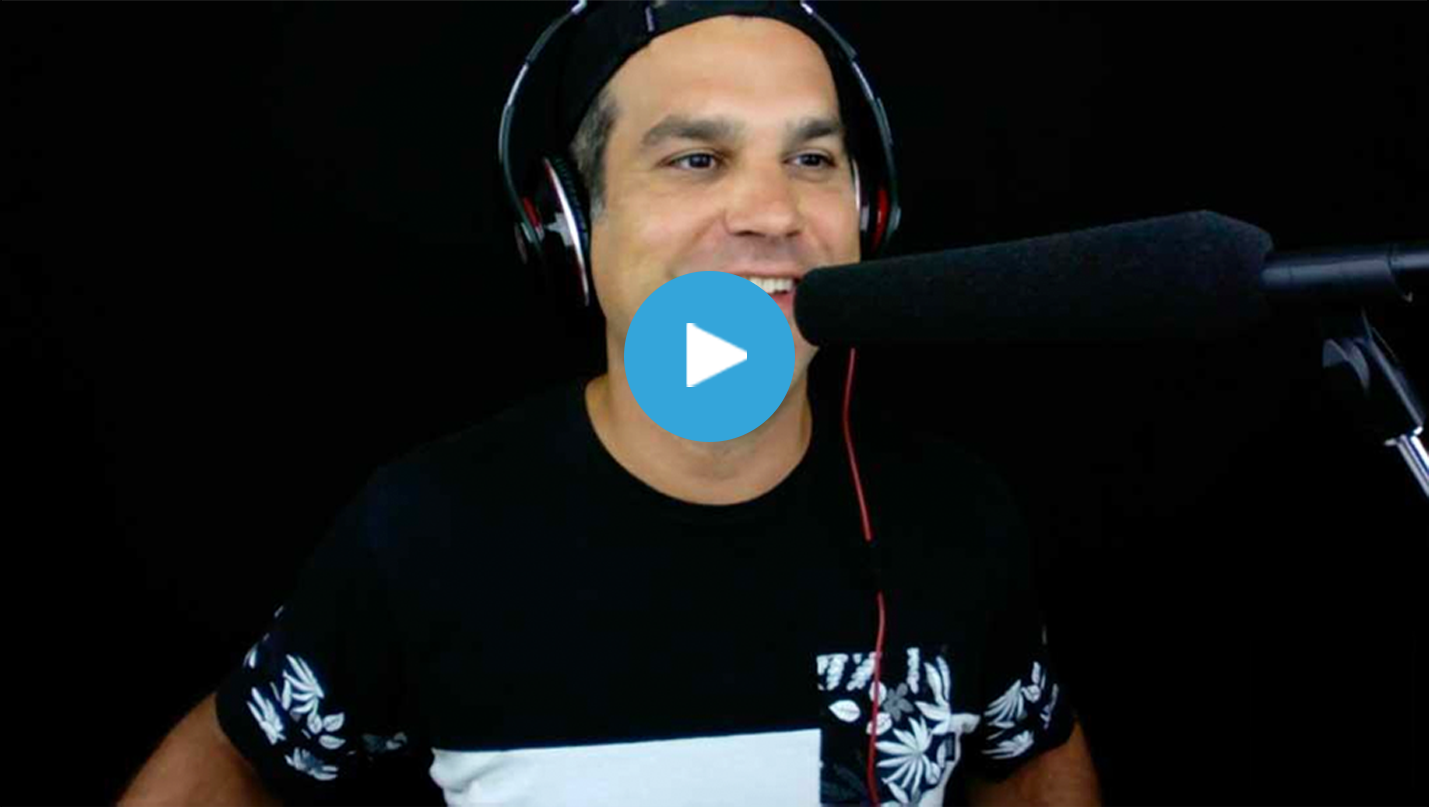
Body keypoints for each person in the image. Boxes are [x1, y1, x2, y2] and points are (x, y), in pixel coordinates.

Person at [119, 2, 1101, 805]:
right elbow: (238, 761)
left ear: (867, 214)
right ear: (568, 228)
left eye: (811, 160)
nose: (773, 213)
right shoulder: (424, 530)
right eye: (696, 159)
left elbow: (1025, 757)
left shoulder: (956, 517)